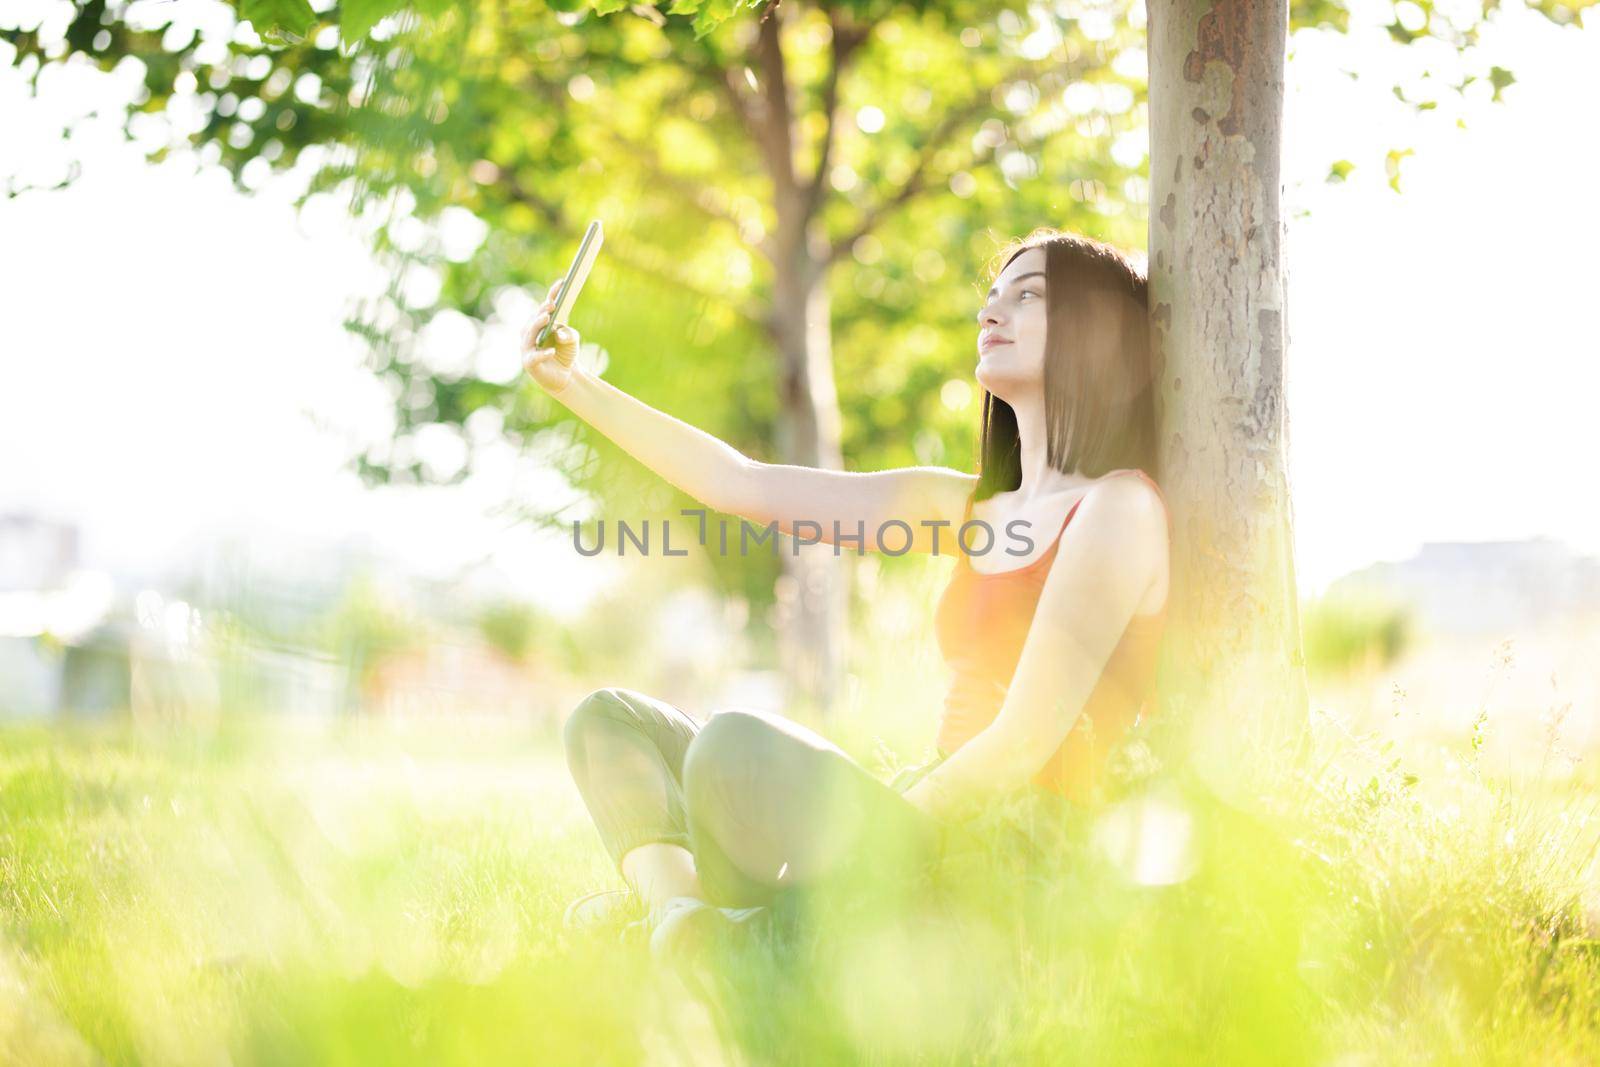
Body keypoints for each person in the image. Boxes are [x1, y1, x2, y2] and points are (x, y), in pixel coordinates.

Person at [522, 228, 1170, 959]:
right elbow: (743, 484)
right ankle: (686, 922)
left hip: (998, 850)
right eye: (993, 296)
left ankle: (732, 928)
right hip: (916, 813)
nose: (992, 312)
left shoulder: (1119, 509)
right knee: (609, 719)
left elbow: (1023, 740)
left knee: (733, 747)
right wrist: (574, 386)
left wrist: (878, 828)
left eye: (1029, 296)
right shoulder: (972, 508)